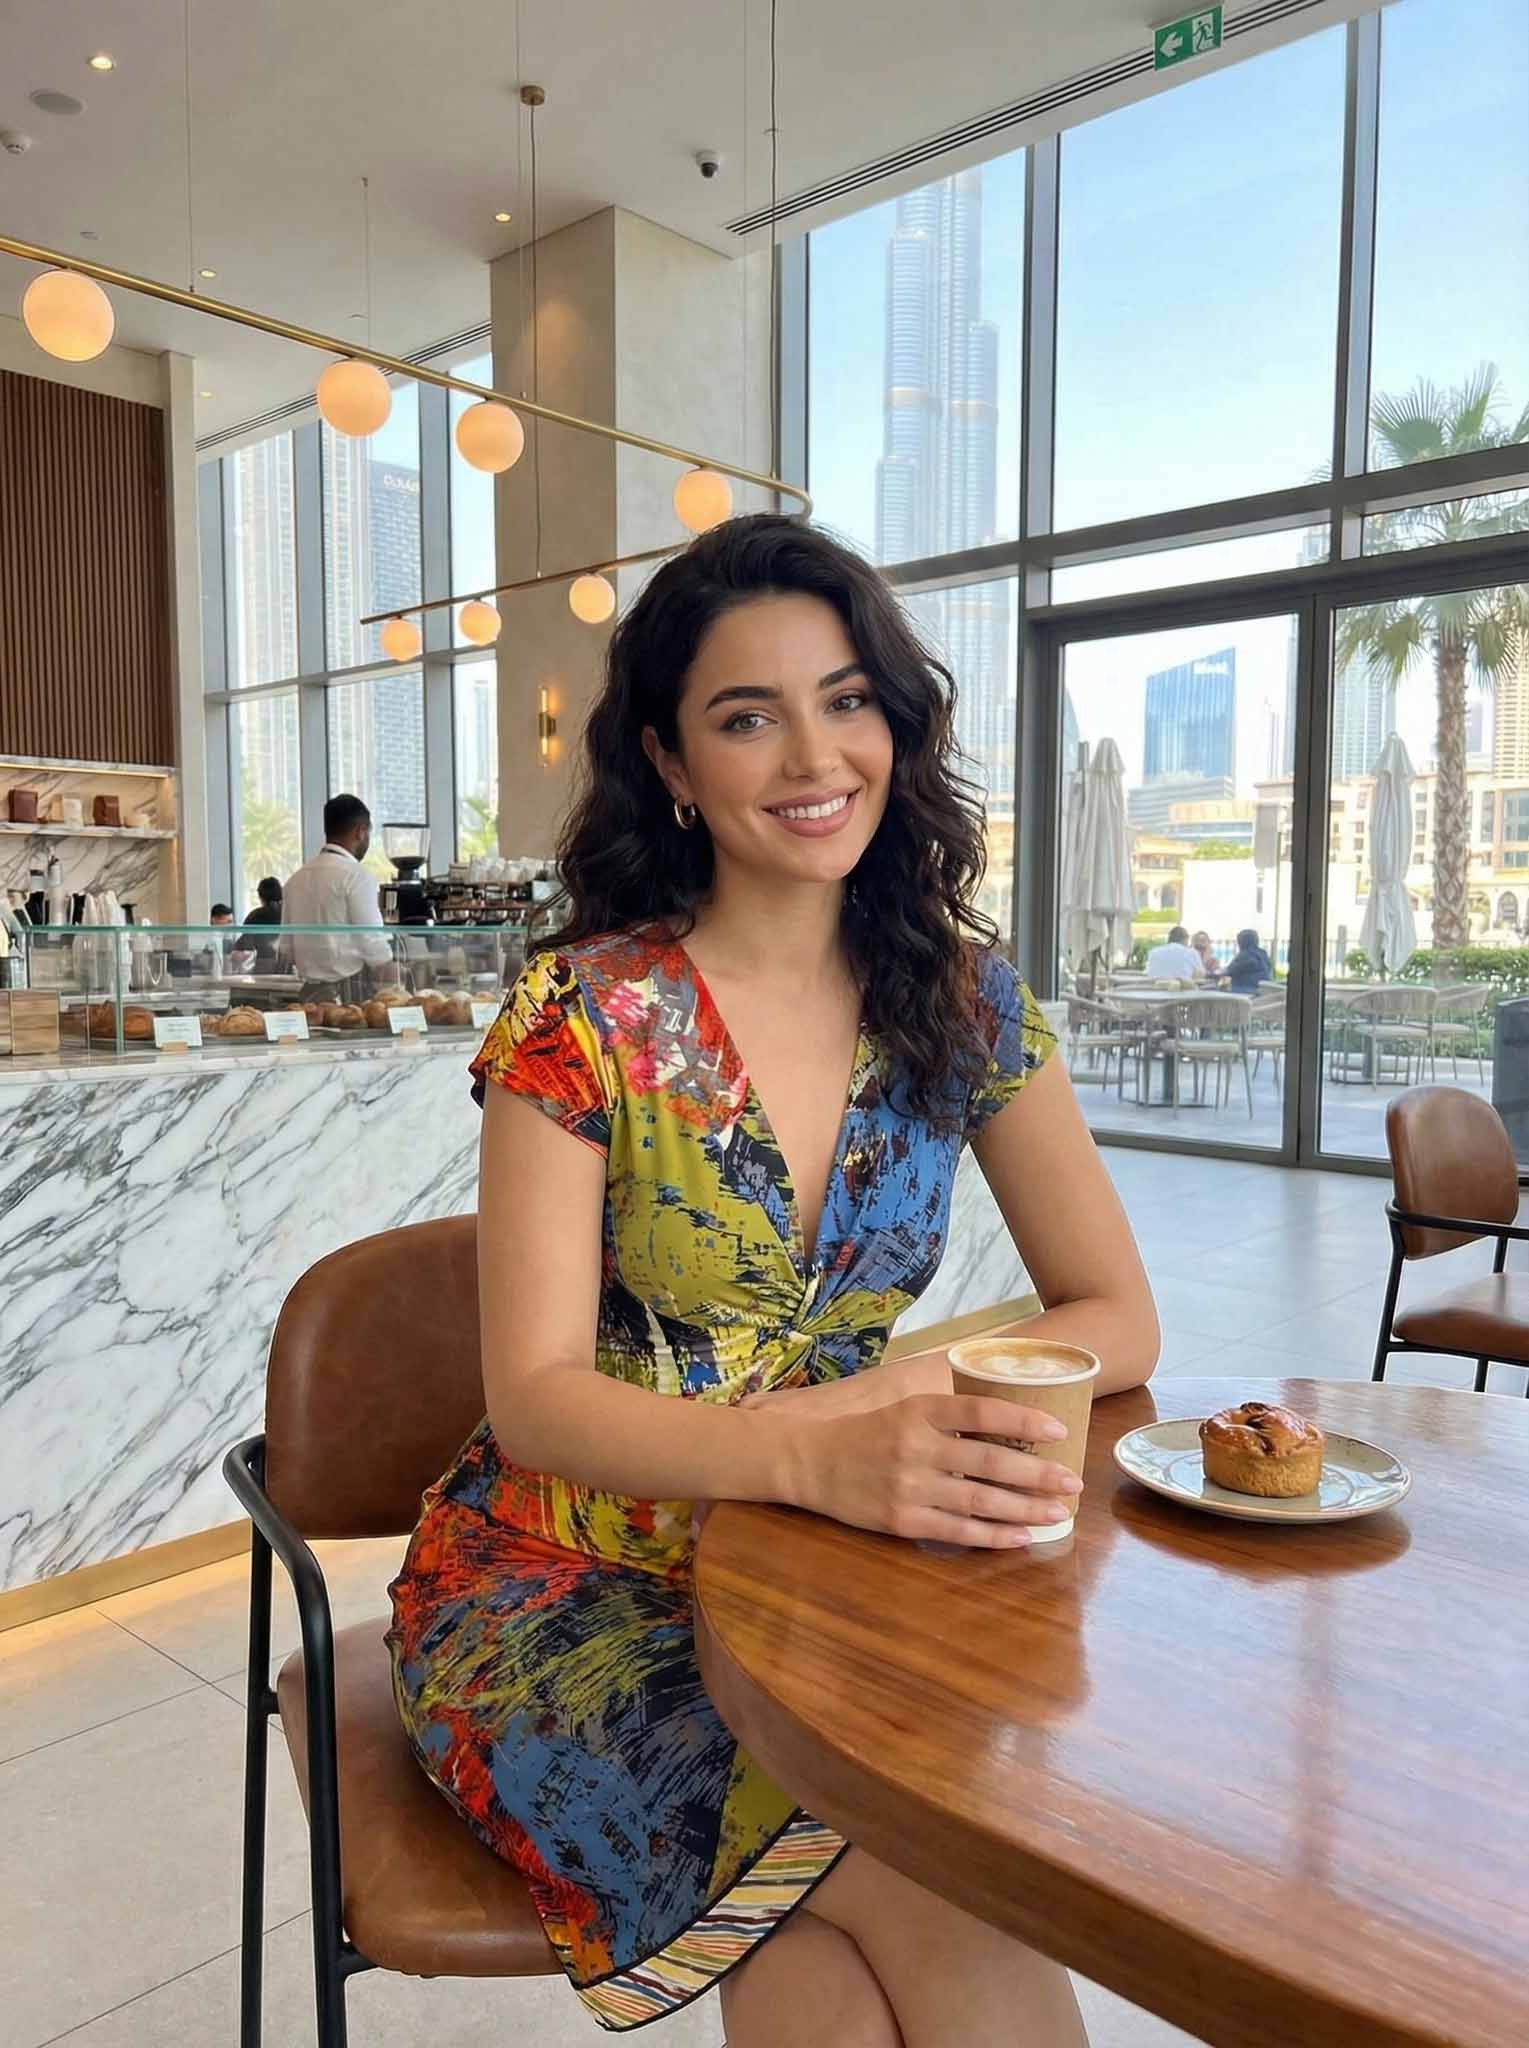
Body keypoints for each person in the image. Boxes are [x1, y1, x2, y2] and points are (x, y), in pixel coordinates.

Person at [387, 515, 1158, 2046]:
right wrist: (817, 1444)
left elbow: (1116, 1313)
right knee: (926, 1877)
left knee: (831, 1939)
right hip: (563, 1588)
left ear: (895, 720)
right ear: (672, 764)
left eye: (848, 697)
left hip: (830, 1574)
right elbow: (534, 1401)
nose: (815, 755)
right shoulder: (583, 1012)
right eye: (748, 716)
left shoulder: (960, 999)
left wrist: (889, 1400)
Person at [280, 794, 395, 1001]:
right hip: (350, 994)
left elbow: (287, 948)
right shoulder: (357, 876)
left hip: (309, 996)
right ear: (360, 831)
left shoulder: (295, 880)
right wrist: (394, 972)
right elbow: (372, 941)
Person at [240, 876, 283, 964]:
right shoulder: (288, 913)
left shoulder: (254, 915)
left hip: (263, 966)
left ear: (260, 896)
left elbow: (246, 946)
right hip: (285, 967)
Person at [1222, 927, 1273, 995]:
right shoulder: (1263, 954)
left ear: (1241, 942)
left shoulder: (1245, 955)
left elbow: (1228, 972)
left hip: (1246, 993)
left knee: (1216, 990)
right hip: (1263, 993)